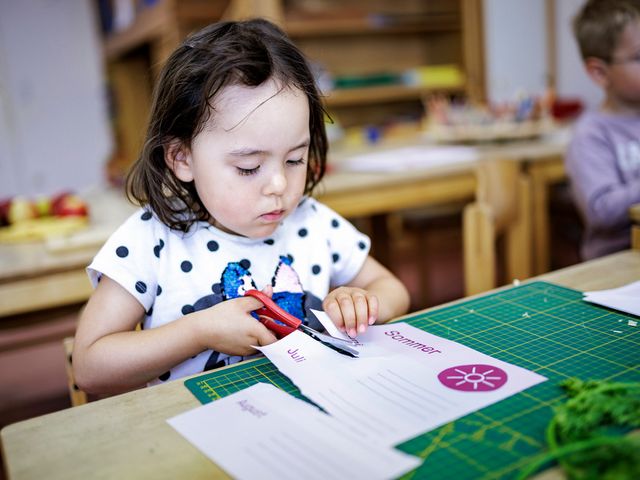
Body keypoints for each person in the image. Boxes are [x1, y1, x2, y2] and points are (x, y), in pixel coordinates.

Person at [73, 19, 410, 394]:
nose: (280, 185)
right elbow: (89, 366)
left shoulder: (313, 223)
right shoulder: (150, 240)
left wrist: (361, 302)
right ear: (182, 157)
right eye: (248, 167)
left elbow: (393, 289)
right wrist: (199, 331)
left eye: (295, 159)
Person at [566, 0, 640, 260]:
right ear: (599, 72)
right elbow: (601, 212)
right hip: (616, 262)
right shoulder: (591, 134)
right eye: (639, 57)